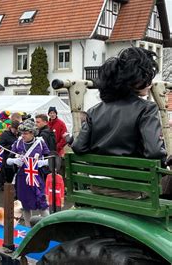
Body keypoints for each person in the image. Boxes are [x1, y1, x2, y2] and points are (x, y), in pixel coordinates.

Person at [72, 47, 168, 198]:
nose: (150, 84)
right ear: (135, 81)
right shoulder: (147, 109)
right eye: (147, 78)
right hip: (132, 189)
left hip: (98, 186)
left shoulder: (94, 111)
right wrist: (165, 161)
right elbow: (154, 152)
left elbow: (78, 147)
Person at [6, 119, 50, 227]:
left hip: (36, 176)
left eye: (25, 133)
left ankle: (49, 226)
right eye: (22, 133)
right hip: (22, 178)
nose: (23, 135)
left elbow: (51, 158)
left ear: (32, 133)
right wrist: (14, 161)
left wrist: (41, 162)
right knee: (24, 204)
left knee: (42, 202)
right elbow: (7, 160)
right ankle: (27, 228)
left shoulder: (40, 142)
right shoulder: (18, 143)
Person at [0, 120, 20, 185]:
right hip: (7, 158)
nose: (16, 132)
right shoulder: (5, 134)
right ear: (11, 128)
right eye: (15, 130)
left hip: (17, 158)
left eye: (17, 130)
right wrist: (11, 146)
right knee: (9, 178)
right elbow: (1, 147)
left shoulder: (19, 134)